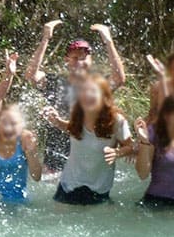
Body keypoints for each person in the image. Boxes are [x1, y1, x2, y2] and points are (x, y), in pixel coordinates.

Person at [25, 20, 126, 172]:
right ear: (66, 60)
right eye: (74, 58)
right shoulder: (54, 82)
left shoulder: (97, 87)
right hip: (54, 165)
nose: (79, 62)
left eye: (83, 57)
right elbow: (31, 75)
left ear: (91, 60)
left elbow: (119, 79)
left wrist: (108, 41)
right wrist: (45, 38)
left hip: (88, 165)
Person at [44, 74, 133, 205]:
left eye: (93, 92)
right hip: (68, 186)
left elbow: (131, 146)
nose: (88, 96)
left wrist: (117, 153)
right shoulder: (78, 113)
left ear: (104, 97)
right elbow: (73, 129)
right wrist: (56, 121)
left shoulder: (116, 121)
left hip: (99, 189)